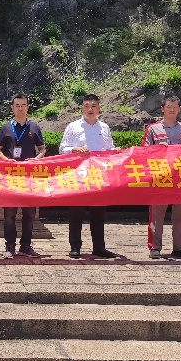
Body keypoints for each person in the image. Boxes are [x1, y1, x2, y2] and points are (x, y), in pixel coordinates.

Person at [59, 94, 118, 258]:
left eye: (93, 106)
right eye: (87, 106)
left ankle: (99, 247)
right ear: (82, 108)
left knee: (99, 212)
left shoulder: (104, 128)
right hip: (78, 174)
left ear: (99, 108)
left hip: (99, 175)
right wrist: (75, 149)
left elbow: (109, 149)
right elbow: (62, 148)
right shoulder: (73, 127)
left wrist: (116, 152)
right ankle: (75, 247)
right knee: (76, 211)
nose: (90, 109)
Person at [142, 94, 181, 259]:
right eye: (168, 107)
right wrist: (157, 149)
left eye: (175, 107)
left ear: (179, 109)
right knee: (157, 213)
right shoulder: (152, 129)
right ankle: (155, 247)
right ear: (162, 109)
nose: (172, 110)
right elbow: (143, 152)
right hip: (160, 176)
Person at [0, 93, 46, 258]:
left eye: (23, 105)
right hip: (10, 177)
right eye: (17, 105)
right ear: (12, 108)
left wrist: (36, 159)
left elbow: (42, 149)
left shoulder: (34, 128)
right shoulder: (5, 128)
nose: (20, 109)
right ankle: (9, 246)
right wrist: (6, 160)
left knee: (29, 213)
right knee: (9, 214)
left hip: (29, 177)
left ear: (28, 107)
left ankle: (26, 246)